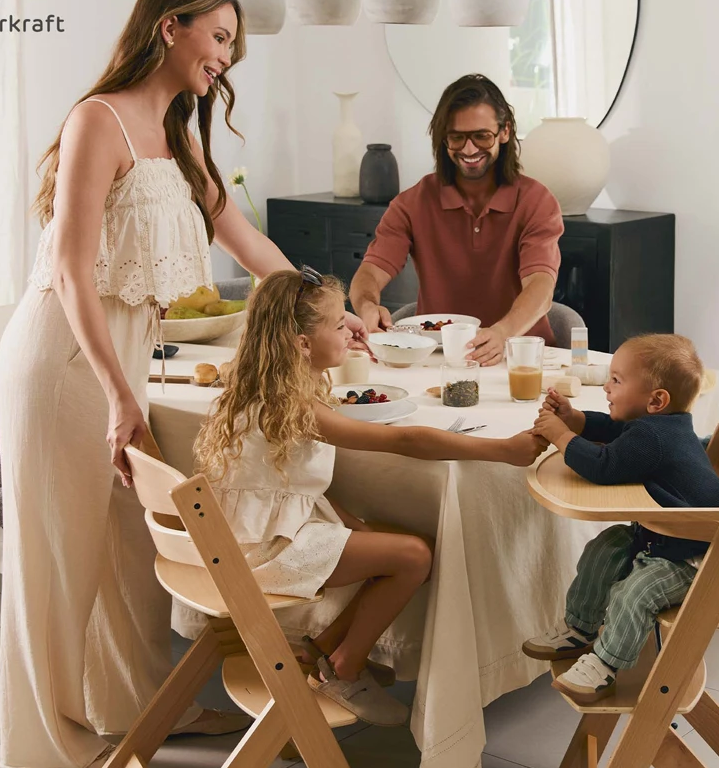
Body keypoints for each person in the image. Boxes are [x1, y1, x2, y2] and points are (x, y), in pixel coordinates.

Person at [0, 0, 365, 768]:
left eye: (233, 45)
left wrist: (328, 311)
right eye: (219, 37)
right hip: (63, 358)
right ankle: (51, 738)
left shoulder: (178, 136)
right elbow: (71, 272)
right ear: (171, 26)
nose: (226, 58)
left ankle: (137, 707)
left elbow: (249, 242)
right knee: (60, 552)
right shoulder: (98, 120)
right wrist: (118, 395)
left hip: (117, 359)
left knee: (128, 550)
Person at [193, 267, 548, 725]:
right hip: (261, 553)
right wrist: (501, 450)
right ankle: (345, 667)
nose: (350, 331)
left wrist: (351, 523)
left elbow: (288, 486)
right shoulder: (293, 405)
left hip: (243, 539)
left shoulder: (261, 388)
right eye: (338, 325)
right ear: (302, 344)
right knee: (414, 556)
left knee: (395, 539)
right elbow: (404, 441)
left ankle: (323, 650)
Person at [523, 334, 719, 701]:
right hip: (661, 538)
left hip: (692, 559)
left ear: (656, 401)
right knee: (603, 549)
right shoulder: (660, 426)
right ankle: (580, 629)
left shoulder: (655, 436)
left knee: (634, 592)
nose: (607, 387)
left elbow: (604, 467)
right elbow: (615, 429)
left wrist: (561, 435)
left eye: (616, 380)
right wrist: (575, 419)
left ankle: (605, 665)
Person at [349, 74, 564, 365]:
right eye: (457, 137)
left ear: (504, 131)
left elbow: (540, 285)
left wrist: (502, 333)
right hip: (439, 360)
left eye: (482, 136)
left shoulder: (536, 201)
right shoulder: (412, 203)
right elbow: (371, 272)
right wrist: (366, 305)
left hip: (520, 357)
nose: (469, 149)